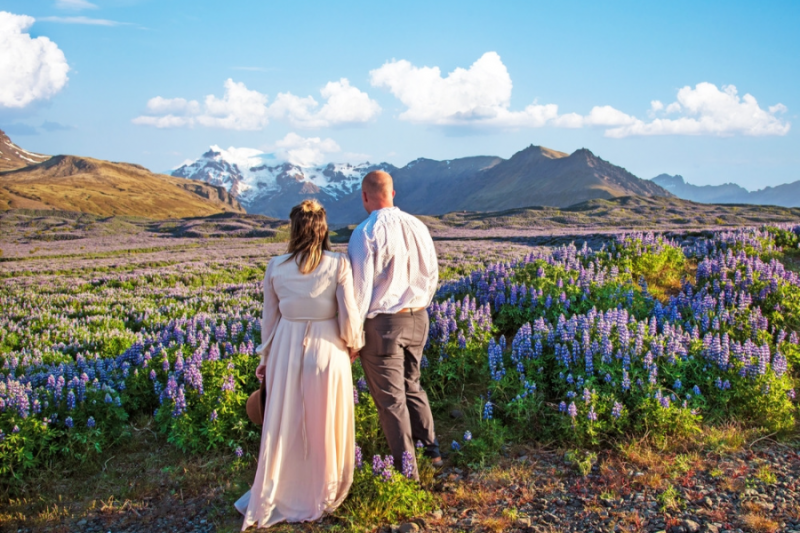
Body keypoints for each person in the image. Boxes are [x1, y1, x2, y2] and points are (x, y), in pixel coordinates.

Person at [236, 199, 364, 529]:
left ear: (293, 229)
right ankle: (322, 489)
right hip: (328, 348)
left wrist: (265, 359)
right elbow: (349, 314)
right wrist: (353, 345)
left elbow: (269, 320)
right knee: (325, 421)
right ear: (323, 230)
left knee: (286, 419)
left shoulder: (276, 266)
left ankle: (283, 489)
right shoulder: (338, 263)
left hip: (286, 348)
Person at [347, 170, 442, 479]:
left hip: (383, 325)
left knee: (390, 401)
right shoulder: (419, 226)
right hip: (418, 317)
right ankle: (432, 451)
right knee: (412, 385)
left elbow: (359, 292)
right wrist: (420, 304)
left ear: (365, 196)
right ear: (393, 193)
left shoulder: (366, 232)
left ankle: (407, 471)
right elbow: (432, 277)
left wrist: (353, 336)